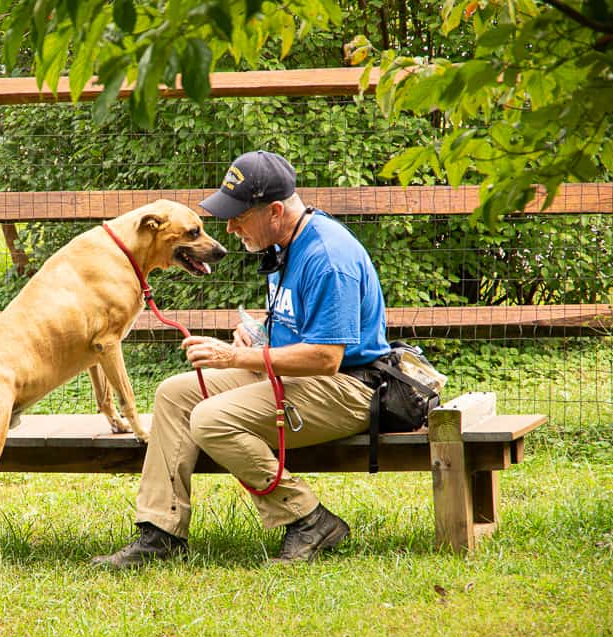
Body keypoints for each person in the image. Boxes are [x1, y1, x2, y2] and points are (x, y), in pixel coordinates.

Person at [91, 150, 391, 568]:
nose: (229, 228)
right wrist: (258, 332)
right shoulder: (284, 244)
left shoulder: (327, 256)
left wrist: (235, 357)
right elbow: (295, 318)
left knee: (211, 418)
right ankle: (161, 533)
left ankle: (308, 518)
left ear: (273, 210)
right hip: (298, 379)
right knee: (174, 395)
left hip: (348, 386)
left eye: (238, 217)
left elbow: (325, 356)